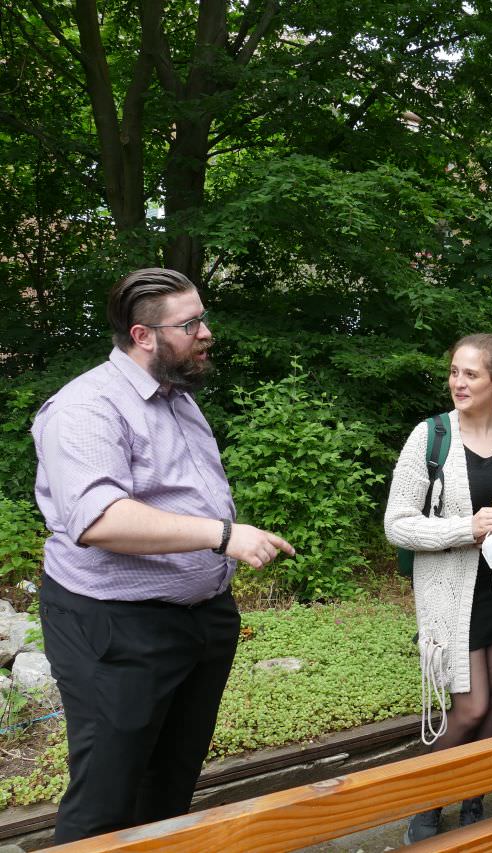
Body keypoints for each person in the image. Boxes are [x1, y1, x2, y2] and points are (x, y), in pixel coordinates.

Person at [32, 268, 295, 843]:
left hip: (201, 621)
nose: (206, 332)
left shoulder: (177, 398)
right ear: (143, 335)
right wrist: (223, 536)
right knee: (106, 797)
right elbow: (98, 519)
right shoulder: (85, 408)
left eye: (203, 317)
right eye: (190, 323)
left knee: (170, 785)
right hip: (116, 627)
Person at [385, 333, 492, 842]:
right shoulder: (429, 436)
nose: (458, 382)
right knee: (472, 706)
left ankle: (474, 798)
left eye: (471, 374)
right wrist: (467, 528)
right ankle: (426, 802)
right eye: (454, 372)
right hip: (450, 594)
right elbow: (397, 523)